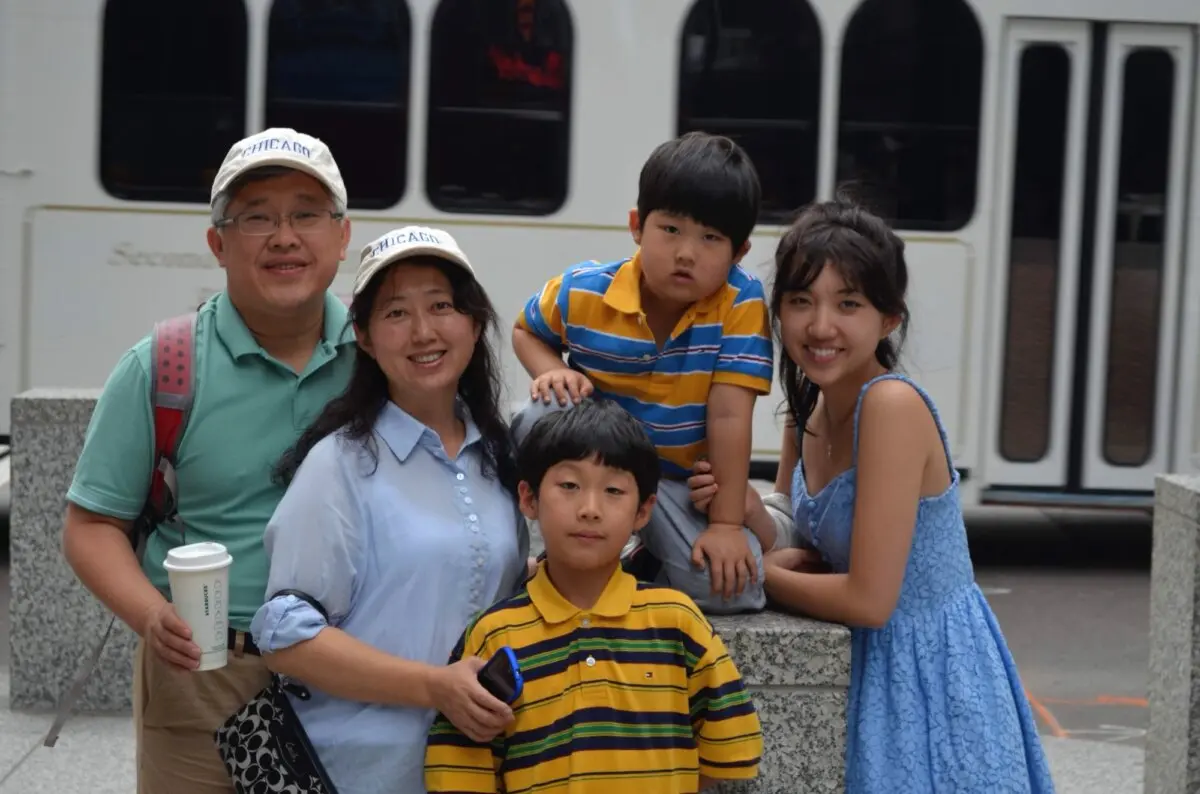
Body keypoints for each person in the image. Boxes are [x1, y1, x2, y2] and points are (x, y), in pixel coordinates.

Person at [713, 197, 1055, 792]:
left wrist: (758, 573)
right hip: (868, 665)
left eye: (848, 304)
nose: (821, 326)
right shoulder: (807, 407)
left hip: (930, 678)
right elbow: (796, 533)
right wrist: (742, 510)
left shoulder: (891, 406)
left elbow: (871, 599)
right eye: (801, 302)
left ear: (889, 318)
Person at [61, 127, 357, 793]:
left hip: (352, 668)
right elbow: (90, 525)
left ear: (342, 237)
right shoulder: (163, 366)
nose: (285, 236)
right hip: (205, 672)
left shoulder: (381, 360)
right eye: (257, 217)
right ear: (218, 244)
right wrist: (150, 615)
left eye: (307, 213)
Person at [248, 225, 531, 794]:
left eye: (442, 306)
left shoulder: (500, 457)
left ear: (474, 323)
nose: (423, 331)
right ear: (367, 338)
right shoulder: (340, 463)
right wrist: (434, 686)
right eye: (396, 313)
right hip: (354, 772)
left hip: (470, 771)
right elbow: (286, 636)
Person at [425, 399, 763, 793]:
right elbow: (461, 773)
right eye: (569, 486)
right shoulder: (494, 635)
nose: (590, 509)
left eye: (614, 490)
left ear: (643, 511)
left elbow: (728, 752)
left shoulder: (677, 622)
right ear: (529, 498)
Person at [510, 131, 778, 614]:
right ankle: (514, 561)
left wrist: (725, 525)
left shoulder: (740, 301)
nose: (686, 253)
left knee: (732, 589)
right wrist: (552, 370)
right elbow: (526, 330)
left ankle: (639, 563)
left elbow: (729, 418)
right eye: (670, 229)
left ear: (738, 253)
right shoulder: (584, 289)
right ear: (637, 226)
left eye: (710, 238)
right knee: (539, 411)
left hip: (674, 484)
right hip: (600, 461)